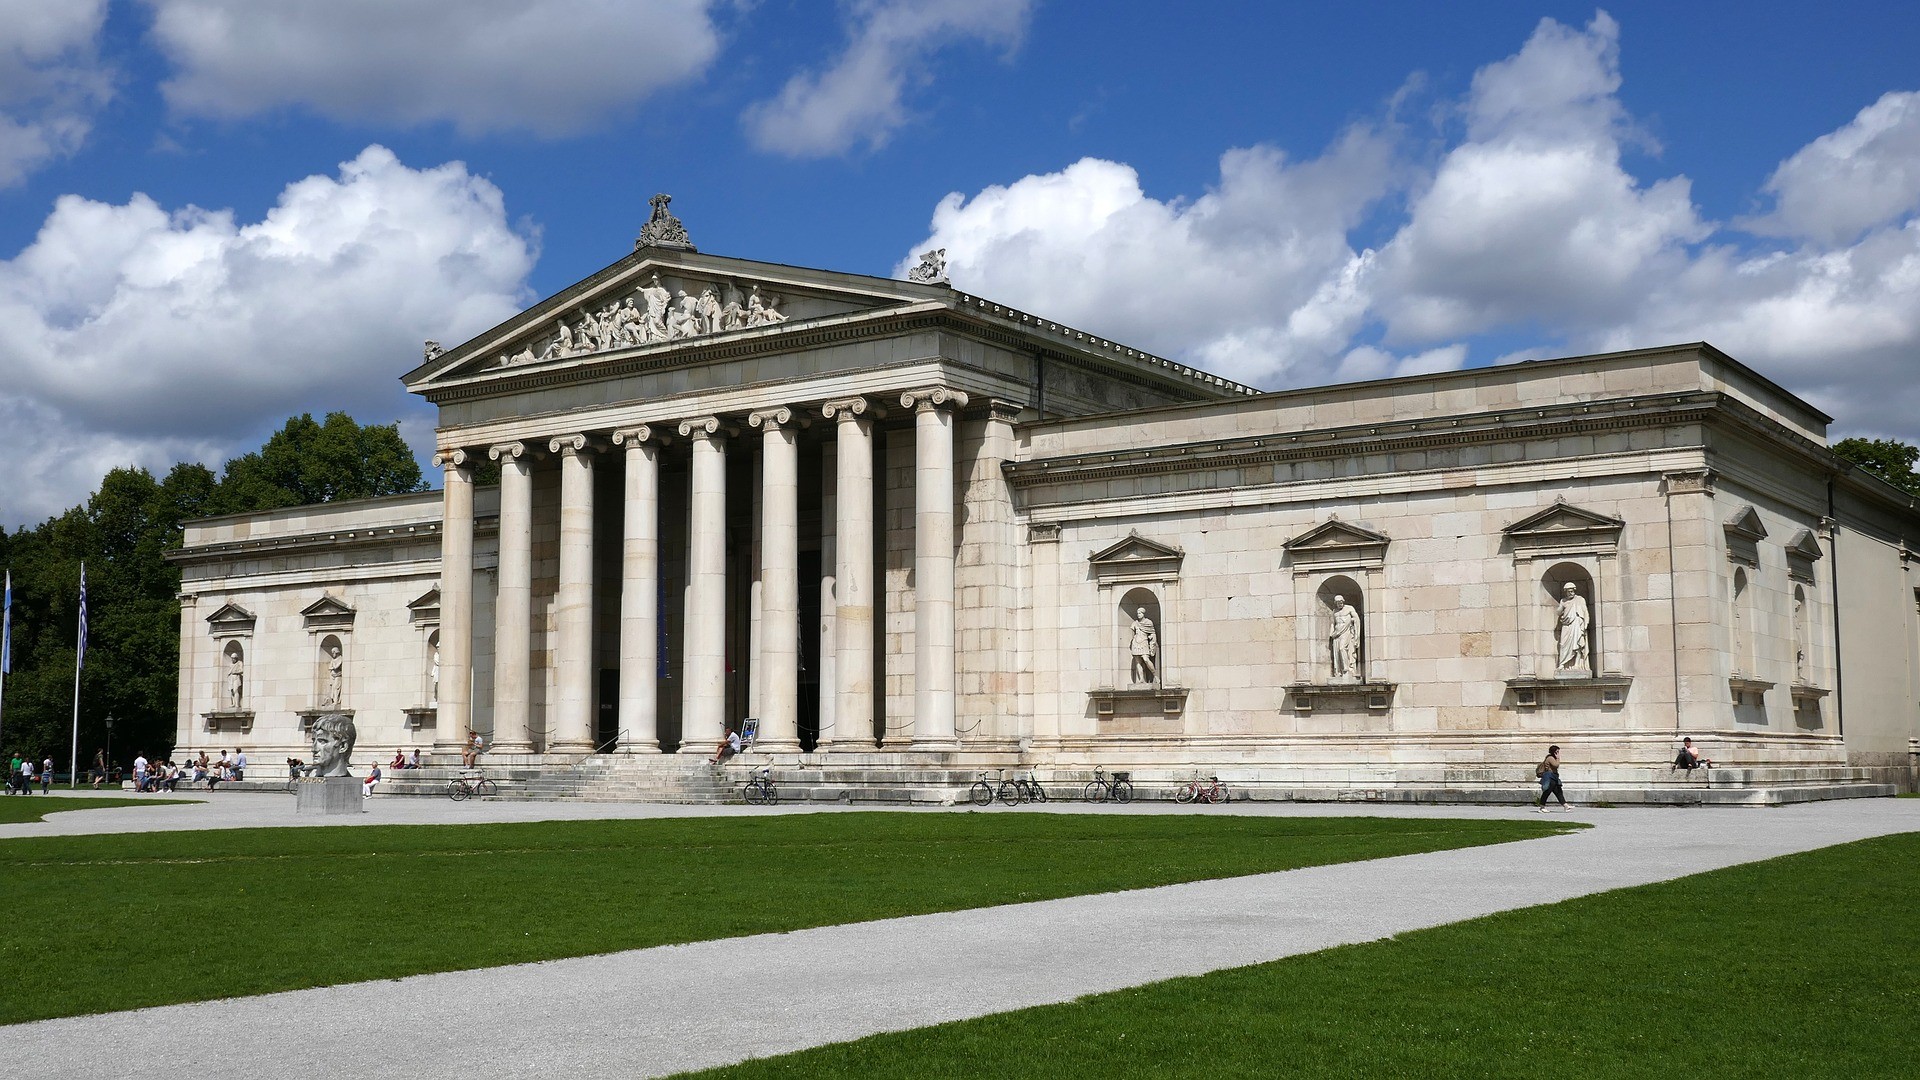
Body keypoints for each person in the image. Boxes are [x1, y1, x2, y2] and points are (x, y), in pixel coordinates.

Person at [1556, 582, 1590, 672]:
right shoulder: (1563, 601)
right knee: (1563, 644)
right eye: (1569, 591)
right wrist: (1561, 608)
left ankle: (1577, 664)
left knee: (1578, 643)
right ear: (1566, 592)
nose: (1571, 593)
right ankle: (1562, 664)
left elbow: (1585, 611)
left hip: (1577, 624)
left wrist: (1586, 623)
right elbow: (1559, 612)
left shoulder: (1580, 599)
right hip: (1567, 625)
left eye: (1572, 591)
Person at [1329, 595, 1360, 680]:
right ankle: (1339, 671)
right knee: (1337, 652)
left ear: (1343, 601)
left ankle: (1347, 668)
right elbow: (1333, 623)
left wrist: (1353, 622)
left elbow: (1356, 619)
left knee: (1342, 648)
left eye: (1341, 602)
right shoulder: (1334, 611)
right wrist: (1331, 633)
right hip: (1337, 634)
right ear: (1336, 603)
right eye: (1338, 603)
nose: (1340, 604)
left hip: (1346, 632)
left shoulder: (1349, 609)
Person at [1534, 744, 1571, 811]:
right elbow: (1556, 765)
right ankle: (1542, 807)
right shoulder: (1550, 758)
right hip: (1550, 777)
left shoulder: (1552, 758)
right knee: (1547, 792)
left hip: (1553, 777)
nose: (1558, 753)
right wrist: (1558, 758)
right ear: (1554, 752)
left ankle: (1566, 806)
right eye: (1557, 751)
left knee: (1558, 791)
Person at [1129, 608, 1158, 685]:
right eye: (1137, 613)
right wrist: (1133, 640)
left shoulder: (1148, 622)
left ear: (1143, 613)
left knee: (1145, 659)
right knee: (1138, 662)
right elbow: (1132, 634)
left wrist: (1152, 638)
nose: (1138, 614)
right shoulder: (1135, 623)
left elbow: (1152, 633)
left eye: (1140, 613)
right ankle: (1141, 679)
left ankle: (1155, 675)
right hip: (1136, 643)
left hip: (1144, 642)